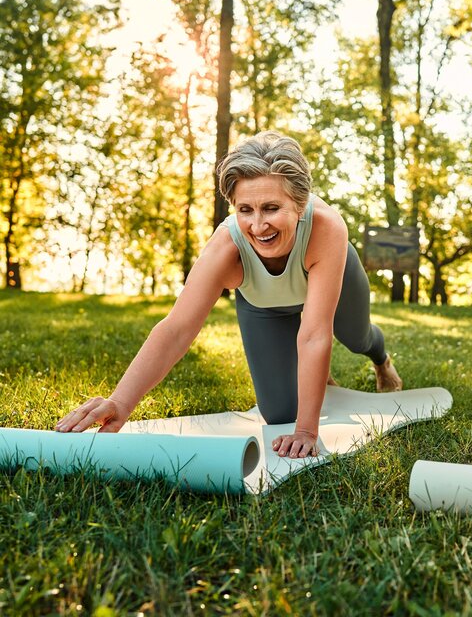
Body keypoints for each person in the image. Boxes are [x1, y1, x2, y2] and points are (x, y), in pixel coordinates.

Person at [55, 131, 403, 459]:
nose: (257, 225)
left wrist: (307, 432)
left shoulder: (327, 227)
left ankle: (380, 359)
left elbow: (314, 335)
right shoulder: (226, 247)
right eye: (245, 210)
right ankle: (318, 379)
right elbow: (176, 329)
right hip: (264, 304)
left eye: (271, 208)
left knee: (356, 337)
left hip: (333, 281)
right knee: (281, 412)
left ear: (299, 205)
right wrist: (120, 402)